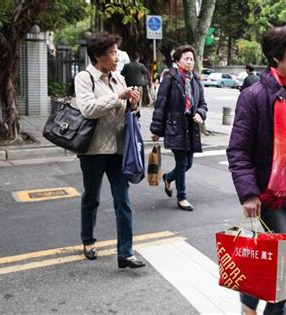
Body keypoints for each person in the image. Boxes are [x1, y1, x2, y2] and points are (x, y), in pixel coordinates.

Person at [227, 26, 286, 315]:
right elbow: (238, 149)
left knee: (278, 256)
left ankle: (252, 306)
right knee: (285, 257)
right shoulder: (254, 95)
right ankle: (272, 310)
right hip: (267, 191)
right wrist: (249, 194)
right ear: (278, 57)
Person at [74, 32, 145, 268]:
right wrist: (118, 97)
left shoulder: (118, 77)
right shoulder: (85, 78)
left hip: (118, 150)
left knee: (123, 201)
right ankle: (88, 240)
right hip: (93, 151)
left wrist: (133, 104)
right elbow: (88, 109)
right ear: (98, 55)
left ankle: (125, 253)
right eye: (113, 52)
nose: (117, 57)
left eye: (117, 52)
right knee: (91, 197)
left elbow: (128, 113)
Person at [150, 45, 208, 211]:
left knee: (188, 164)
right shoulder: (170, 78)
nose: (189, 62)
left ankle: (168, 177)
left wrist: (200, 113)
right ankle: (181, 197)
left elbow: (203, 103)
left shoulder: (196, 79)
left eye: (191, 59)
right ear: (177, 61)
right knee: (182, 163)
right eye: (186, 59)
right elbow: (160, 104)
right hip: (175, 126)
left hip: (191, 127)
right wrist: (156, 129)